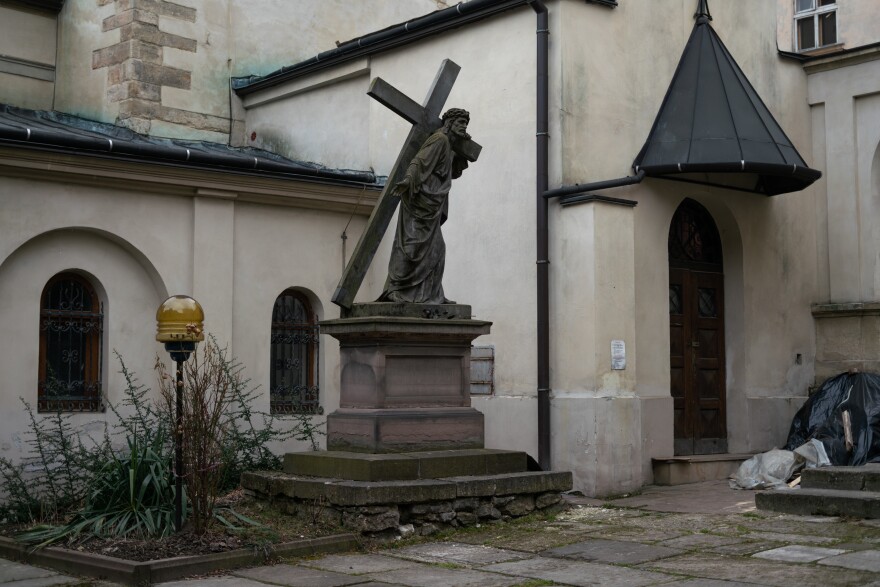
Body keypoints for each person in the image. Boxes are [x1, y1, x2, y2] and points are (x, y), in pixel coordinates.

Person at [378, 108, 471, 304]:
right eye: (460, 122)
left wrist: (461, 151)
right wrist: (408, 180)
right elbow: (419, 162)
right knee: (411, 248)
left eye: (465, 123)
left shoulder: (450, 144)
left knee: (437, 250)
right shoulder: (439, 139)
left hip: (433, 203)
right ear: (449, 123)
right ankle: (395, 289)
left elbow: (452, 172)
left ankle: (432, 295)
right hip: (419, 200)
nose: (464, 126)